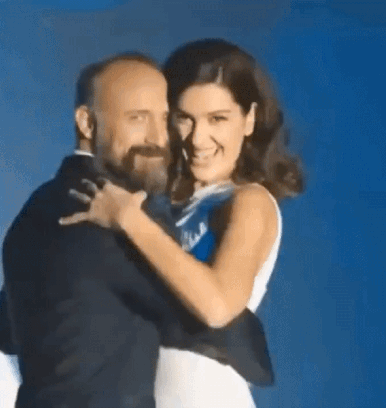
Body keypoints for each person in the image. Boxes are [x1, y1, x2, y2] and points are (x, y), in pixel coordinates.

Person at [0, 52, 274, 408]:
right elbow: (211, 317)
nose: (159, 138)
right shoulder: (114, 215)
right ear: (87, 123)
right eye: (137, 118)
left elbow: (4, 333)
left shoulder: (34, 213)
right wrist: (258, 353)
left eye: (164, 119)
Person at [60, 39, 304, 408]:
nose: (198, 138)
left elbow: (218, 306)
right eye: (184, 118)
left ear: (249, 119)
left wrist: (128, 220)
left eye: (218, 119)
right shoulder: (165, 208)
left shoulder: (249, 202)